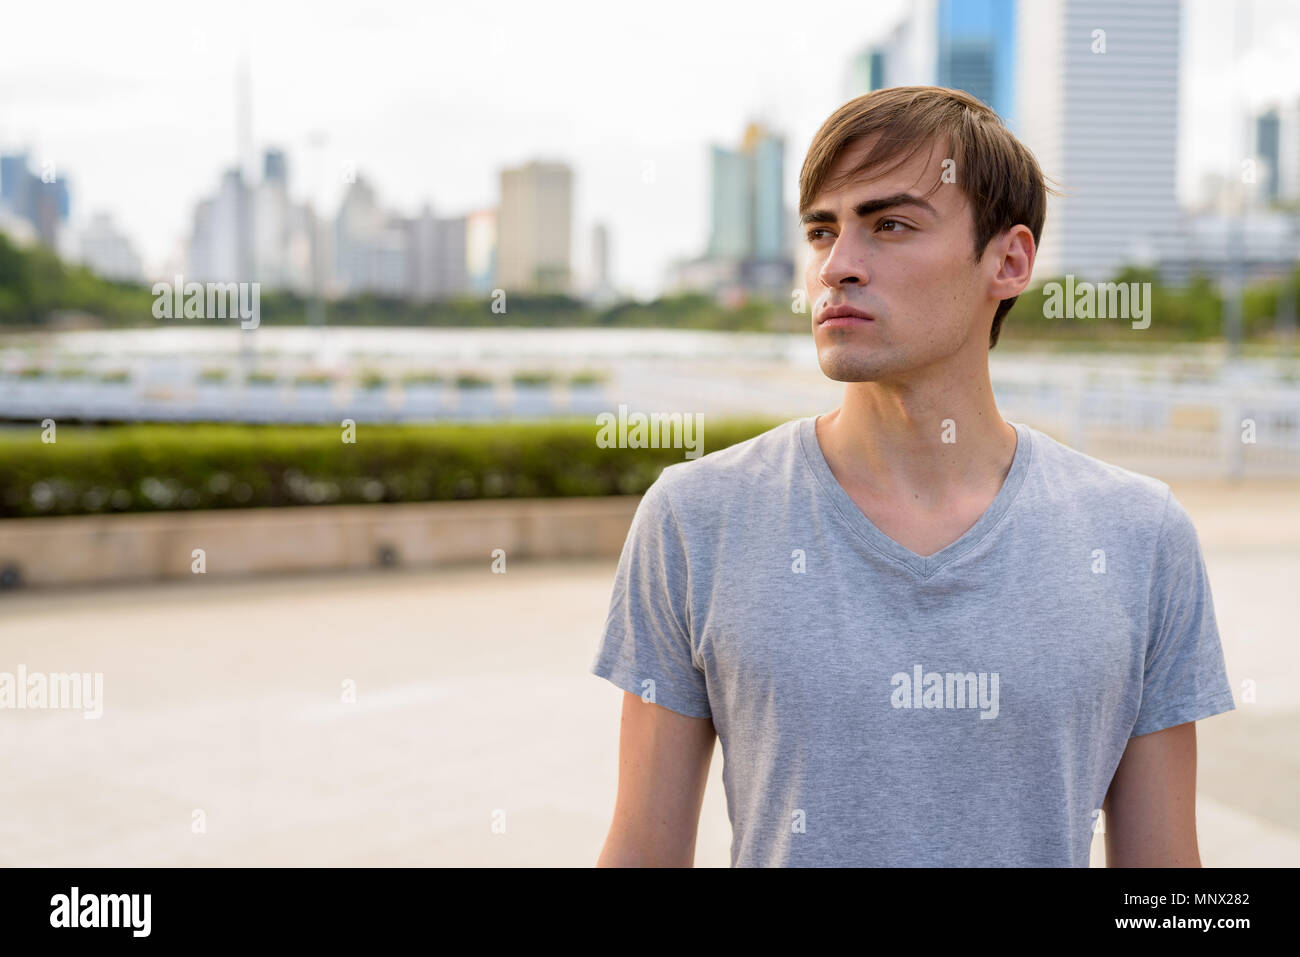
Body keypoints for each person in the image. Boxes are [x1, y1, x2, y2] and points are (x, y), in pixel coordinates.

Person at [589, 86, 1235, 867]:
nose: (837, 267)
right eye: (822, 231)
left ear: (1010, 259)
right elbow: (641, 852)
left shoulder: (1139, 534)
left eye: (890, 225)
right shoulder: (696, 517)